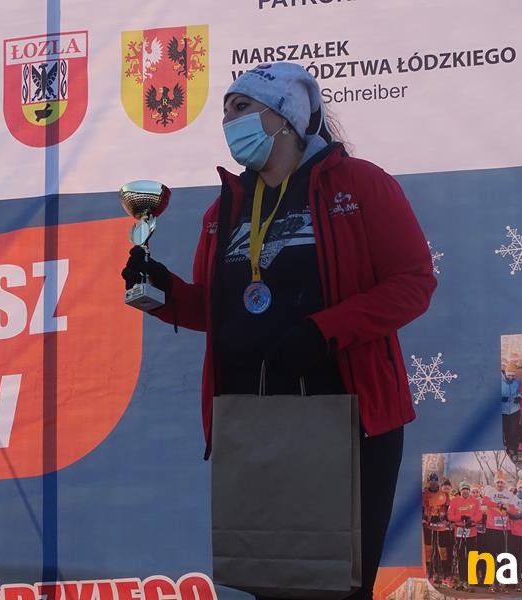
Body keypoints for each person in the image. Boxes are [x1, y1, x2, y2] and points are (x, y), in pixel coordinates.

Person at [121, 62, 437, 600]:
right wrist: (160, 289)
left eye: (242, 107)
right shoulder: (224, 207)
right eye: (225, 111)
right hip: (255, 423)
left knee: (338, 588)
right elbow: (215, 310)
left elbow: (413, 283)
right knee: (271, 585)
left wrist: (322, 332)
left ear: (286, 117)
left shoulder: (360, 184)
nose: (229, 121)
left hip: (349, 421)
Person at [501, 365, 522, 461]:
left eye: (513, 376)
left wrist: (519, 397)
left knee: (514, 432)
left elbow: (520, 393)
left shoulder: (517, 382)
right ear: (505, 374)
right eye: (509, 375)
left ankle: (514, 451)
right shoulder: (500, 382)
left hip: (514, 410)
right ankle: (506, 449)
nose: (511, 377)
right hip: (503, 411)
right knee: (505, 431)